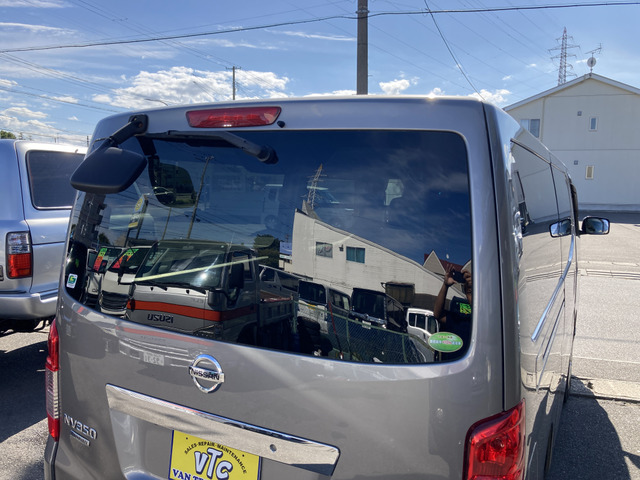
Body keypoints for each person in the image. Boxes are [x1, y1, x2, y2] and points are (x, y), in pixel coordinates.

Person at [433, 261, 472, 360]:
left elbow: (480, 315)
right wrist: (445, 285)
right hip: (451, 365)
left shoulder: (481, 321)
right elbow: (438, 314)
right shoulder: (458, 320)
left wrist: (470, 291)